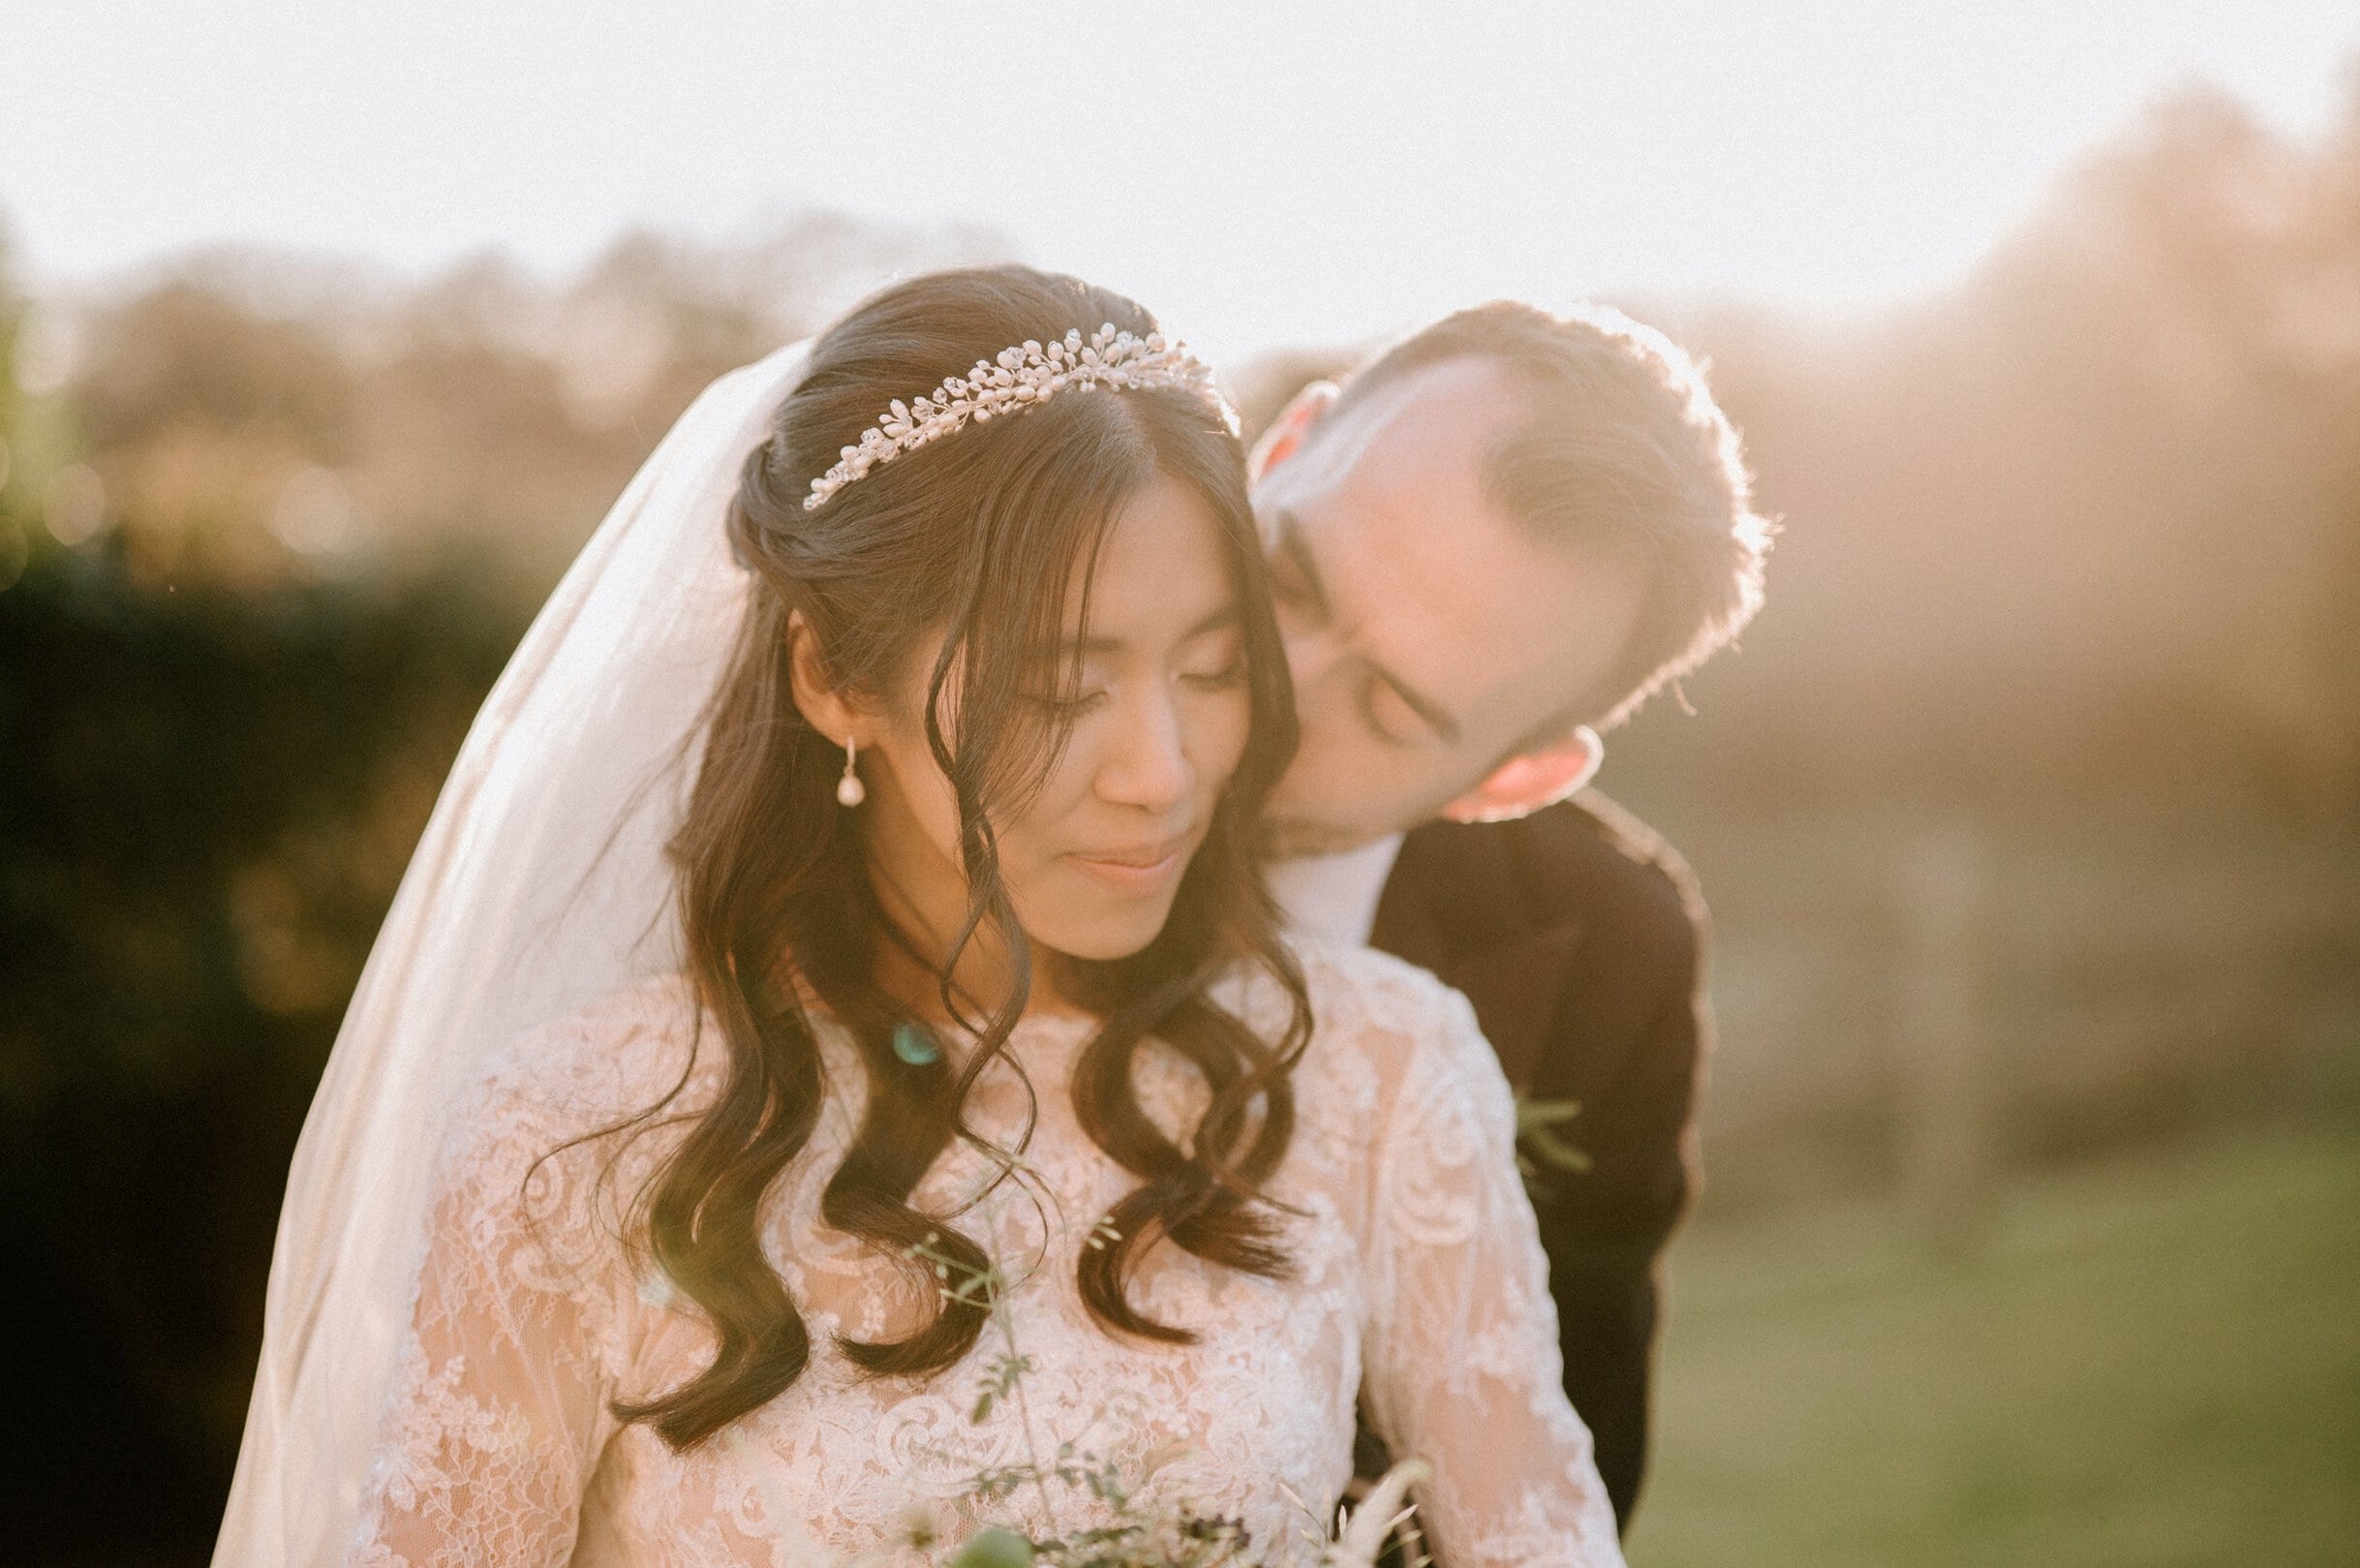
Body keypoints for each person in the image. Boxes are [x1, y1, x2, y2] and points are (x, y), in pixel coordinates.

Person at [212, 266, 1624, 1568]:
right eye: (1062, 685)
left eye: (1208, 667)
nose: (1163, 771)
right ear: (834, 675)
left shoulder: (1377, 1071)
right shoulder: (572, 1133)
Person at [1249, 301, 1771, 1529]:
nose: (1277, 688)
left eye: (1385, 709)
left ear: (1509, 780)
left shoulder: (1609, 955)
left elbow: (1557, 1473)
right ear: (1278, 451)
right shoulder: (914, 722)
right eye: (1287, 577)